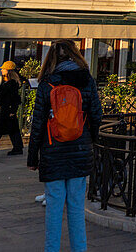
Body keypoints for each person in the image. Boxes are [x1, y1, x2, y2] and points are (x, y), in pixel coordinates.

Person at [27, 40, 102, 252]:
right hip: (80, 149)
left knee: (53, 208)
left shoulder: (47, 82)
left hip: (53, 151)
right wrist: (90, 140)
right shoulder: (87, 80)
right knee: (77, 208)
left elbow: (38, 123)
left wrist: (33, 158)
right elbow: (96, 115)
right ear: (75, 54)